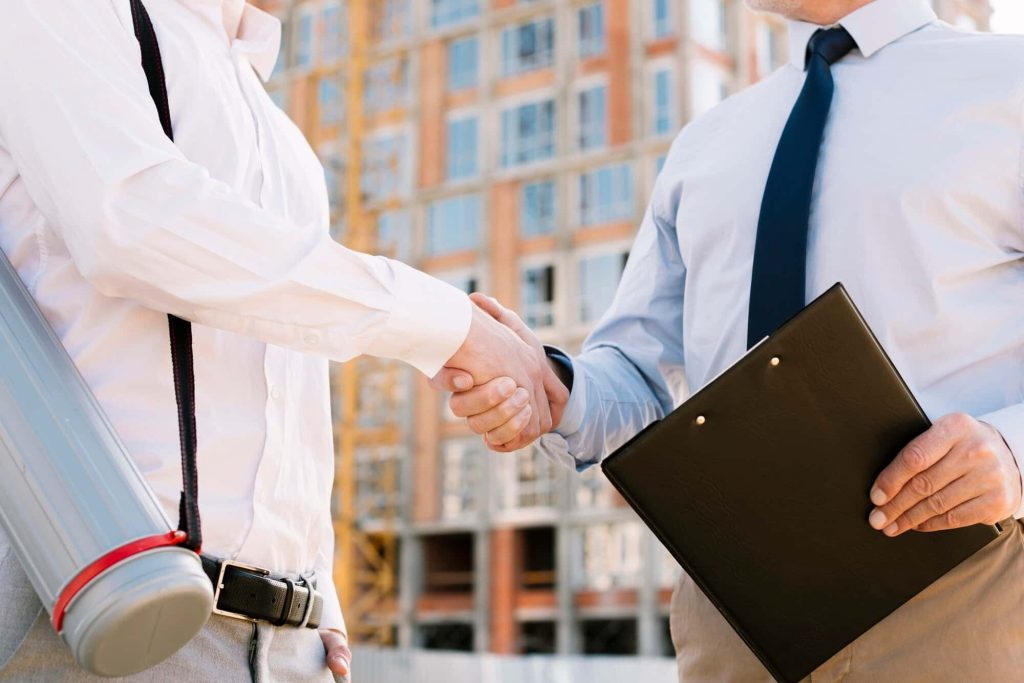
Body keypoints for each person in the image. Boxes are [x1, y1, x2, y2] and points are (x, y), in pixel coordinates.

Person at [437, 0, 1024, 680]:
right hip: (736, 610)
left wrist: (1012, 453)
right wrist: (554, 388)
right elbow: (637, 368)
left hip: (960, 586)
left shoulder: (1008, 81)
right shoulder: (706, 142)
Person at [0, 1, 562, 681]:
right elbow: (133, 223)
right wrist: (450, 328)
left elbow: (282, 376)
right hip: (103, 610)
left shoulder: (272, 122)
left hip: (286, 640)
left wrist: (317, 586)